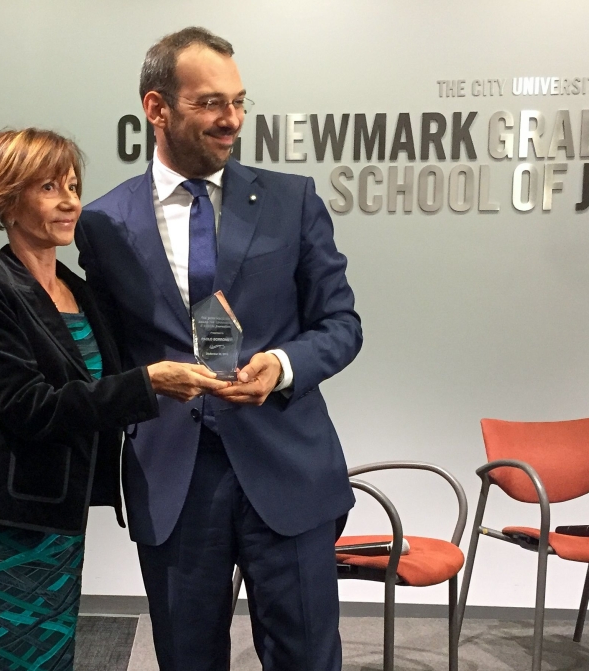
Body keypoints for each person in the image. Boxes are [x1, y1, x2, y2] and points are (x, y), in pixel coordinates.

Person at [75, 27, 362, 671]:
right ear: (157, 108)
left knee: (307, 658)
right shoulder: (102, 223)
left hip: (288, 467)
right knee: (186, 658)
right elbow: (101, 341)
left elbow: (342, 324)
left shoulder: (293, 200)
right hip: (174, 476)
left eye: (239, 102)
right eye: (209, 103)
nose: (231, 120)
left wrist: (283, 365)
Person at [0, 128, 228, 671]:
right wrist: (150, 383)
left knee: (46, 658)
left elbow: (123, 364)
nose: (71, 201)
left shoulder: (82, 291)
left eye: (72, 185)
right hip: (6, 521)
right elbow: (30, 408)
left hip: (62, 519)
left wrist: (218, 337)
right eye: (50, 187)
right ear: (7, 200)